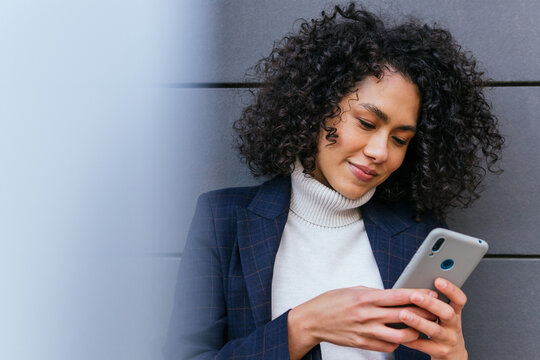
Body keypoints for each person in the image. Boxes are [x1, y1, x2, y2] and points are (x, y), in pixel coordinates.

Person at [164, 3, 504, 360]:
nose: (380, 152)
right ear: (318, 107)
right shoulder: (224, 219)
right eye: (367, 123)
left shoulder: (419, 232)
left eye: (400, 139)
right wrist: (303, 326)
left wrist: (454, 356)